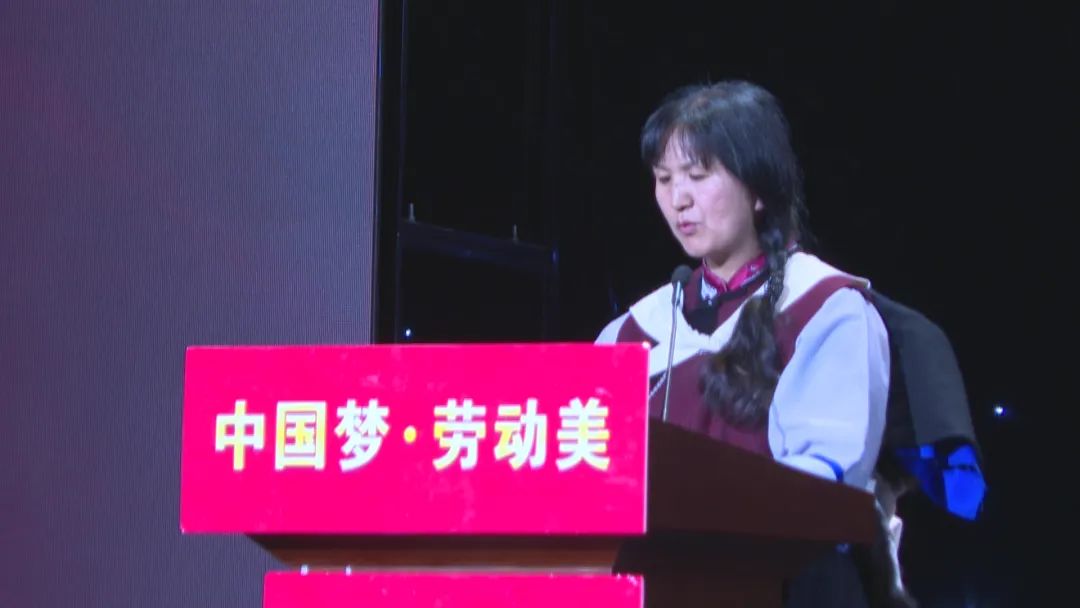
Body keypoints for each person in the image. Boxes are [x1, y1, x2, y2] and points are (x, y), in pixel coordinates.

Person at [595, 80, 915, 607]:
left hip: (786, 588)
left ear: (759, 188)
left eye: (699, 175)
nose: (678, 199)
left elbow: (824, 484)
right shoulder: (632, 331)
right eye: (664, 179)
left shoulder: (826, 309)